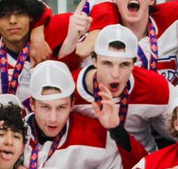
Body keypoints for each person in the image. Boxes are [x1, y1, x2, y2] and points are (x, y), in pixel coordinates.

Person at [73, 23, 172, 152]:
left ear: (133, 64)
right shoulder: (70, 88)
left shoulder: (154, 86)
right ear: (94, 61)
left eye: (124, 64)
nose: (115, 74)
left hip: (141, 162)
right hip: (91, 162)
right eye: (107, 63)